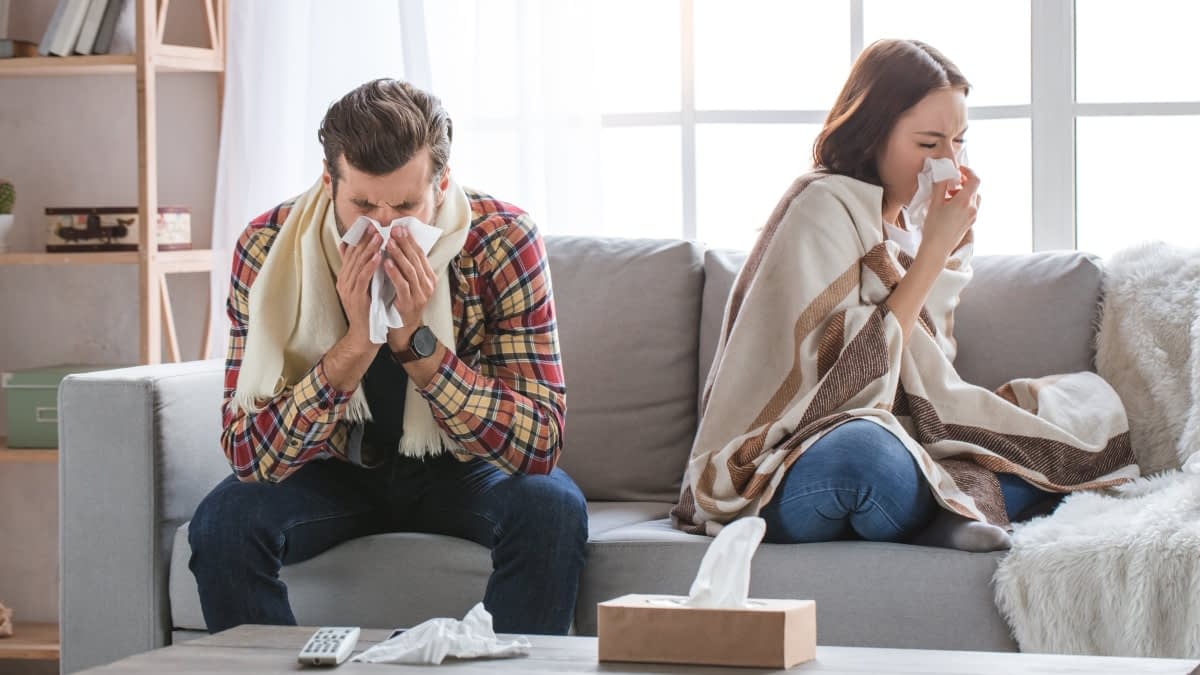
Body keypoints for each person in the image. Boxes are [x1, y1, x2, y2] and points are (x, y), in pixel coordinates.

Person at [671, 39, 1138, 551]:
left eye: (959, 141)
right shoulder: (823, 206)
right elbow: (835, 384)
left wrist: (940, 244)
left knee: (1078, 403)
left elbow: (925, 374)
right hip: (784, 460)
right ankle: (953, 506)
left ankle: (948, 506)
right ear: (873, 136)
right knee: (863, 455)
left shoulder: (928, 228)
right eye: (929, 143)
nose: (949, 162)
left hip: (902, 435)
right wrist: (934, 250)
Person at [188, 79, 587, 635]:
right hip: (331, 471)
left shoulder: (502, 240)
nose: (380, 226)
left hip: (463, 470)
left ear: (442, 183)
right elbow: (249, 454)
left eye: (404, 205)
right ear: (330, 181)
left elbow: (540, 439)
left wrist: (413, 344)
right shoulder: (267, 245)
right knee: (223, 521)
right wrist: (354, 346)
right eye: (361, 204)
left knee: (552, 508)